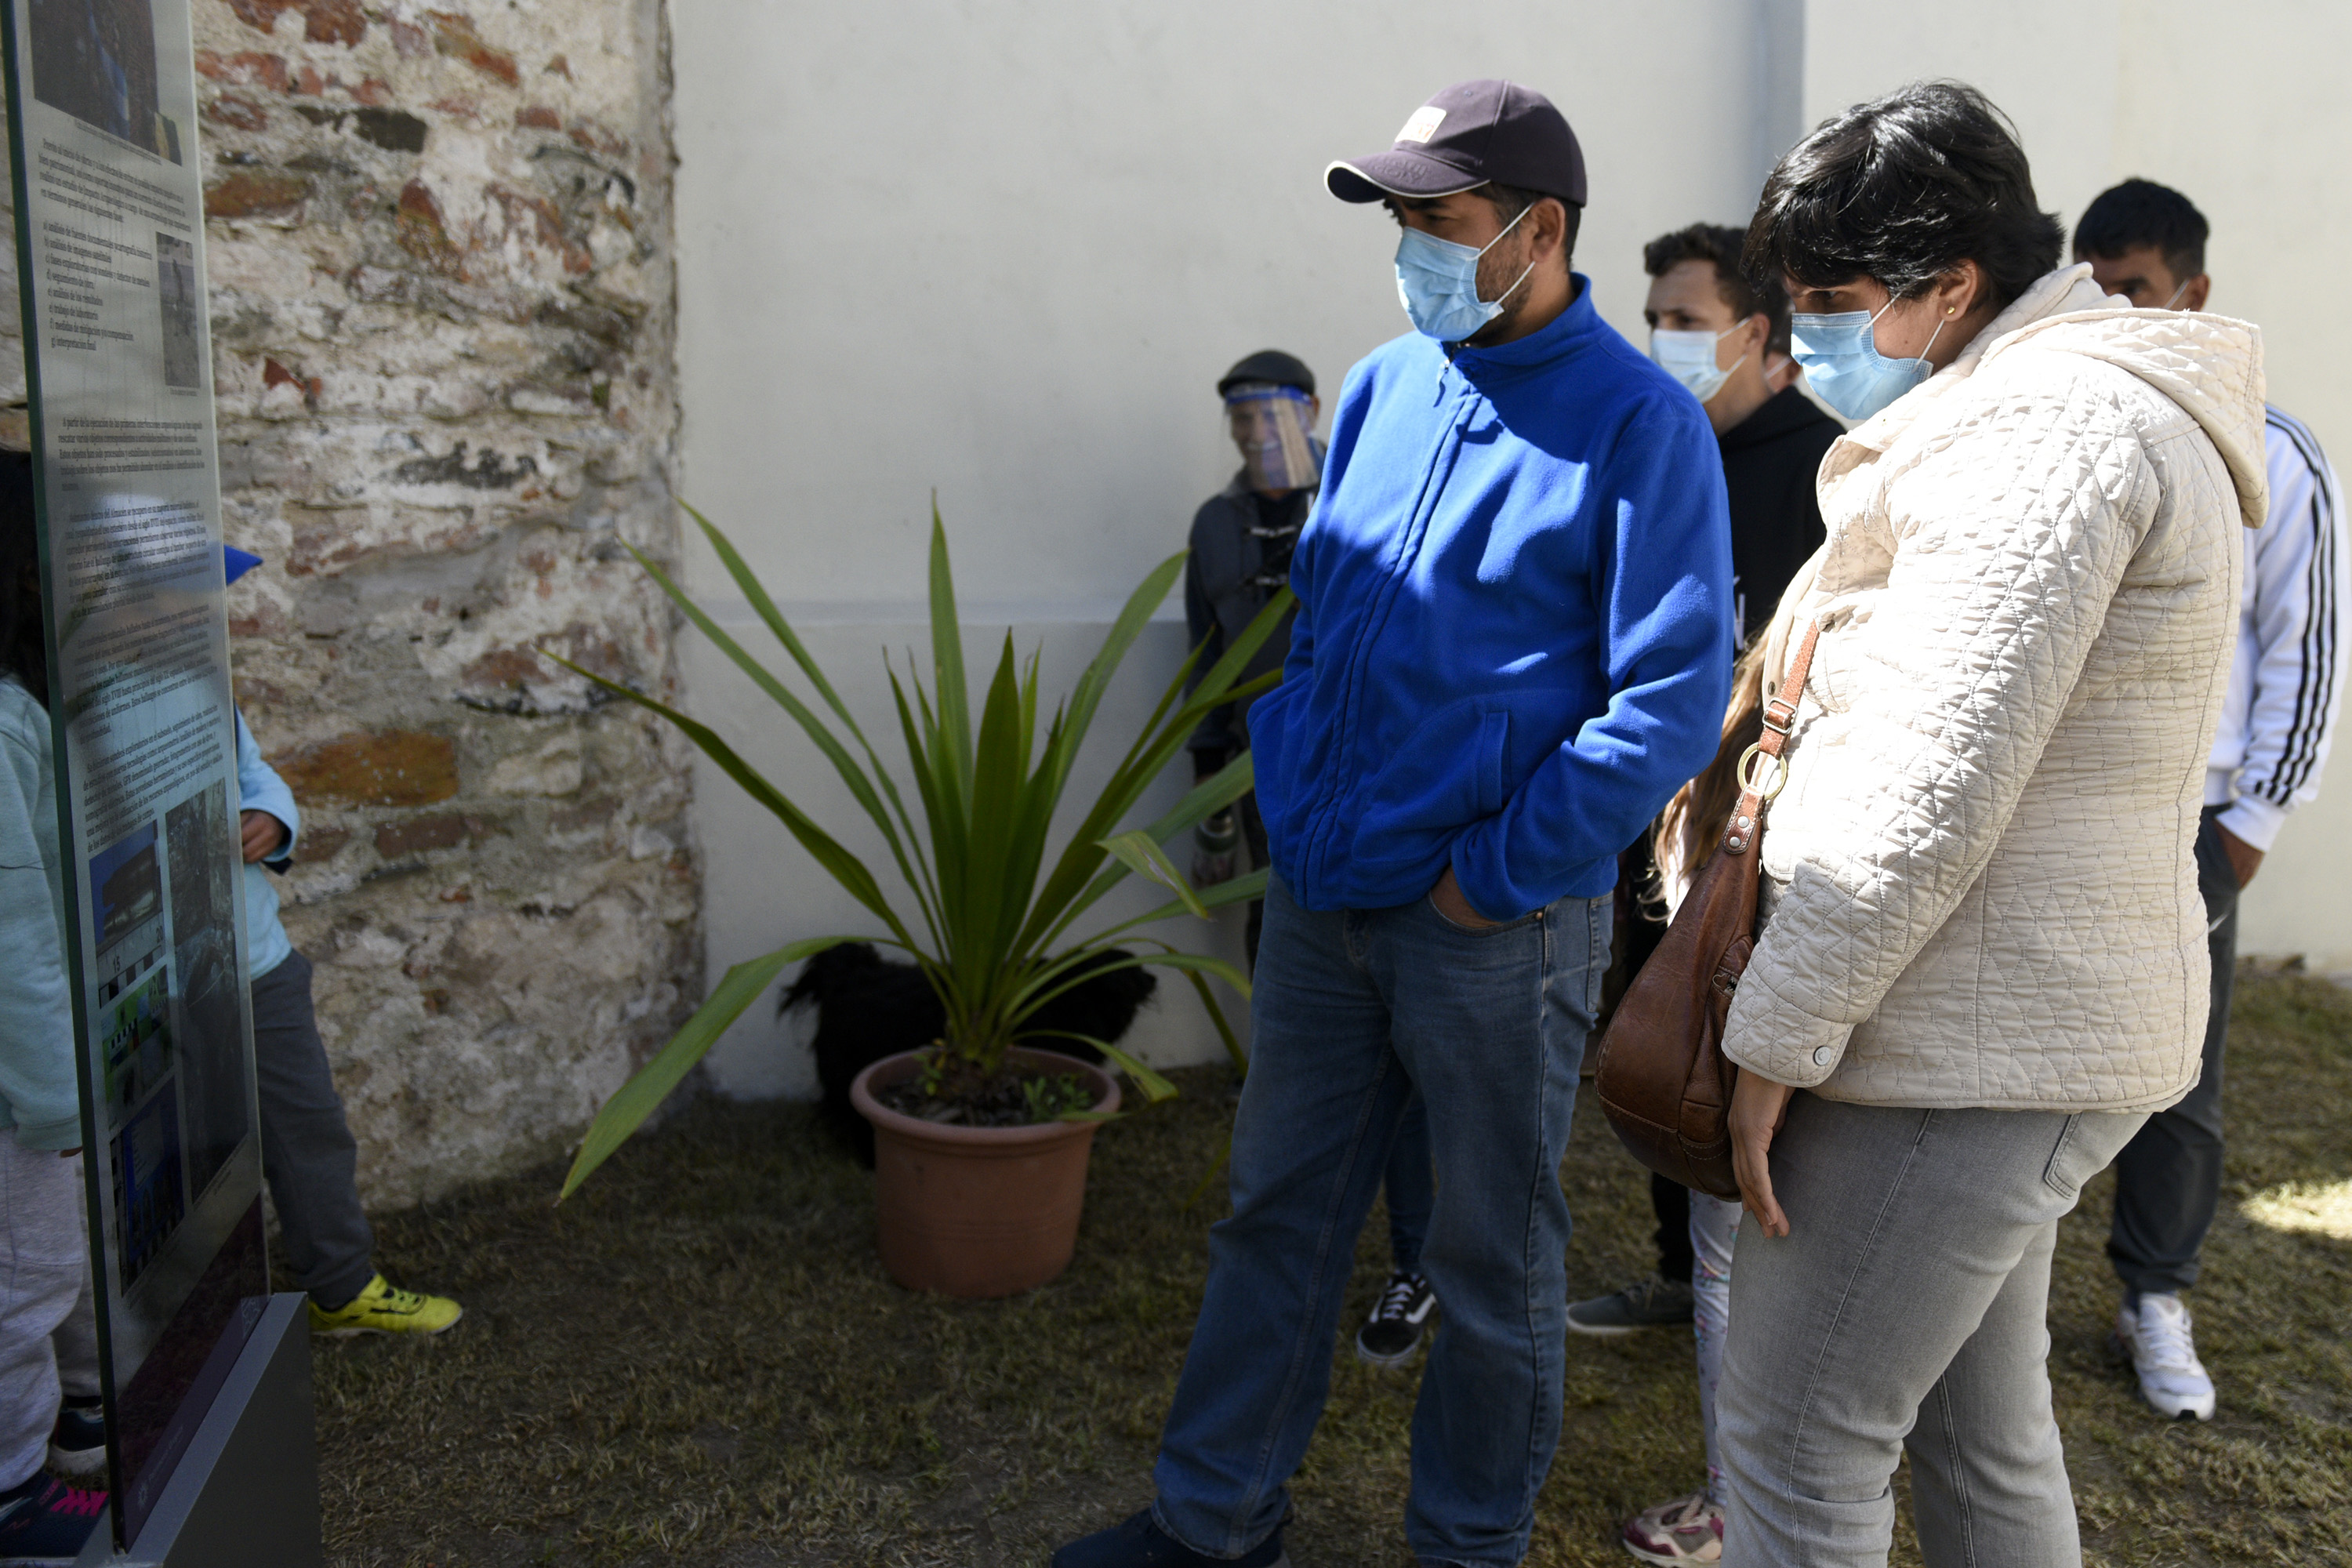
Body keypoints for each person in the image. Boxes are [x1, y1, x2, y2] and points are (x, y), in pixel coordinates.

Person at [1055, 78, 1732, 1568]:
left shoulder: (1638, 427)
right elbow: (1327, 621)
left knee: (1490, 1265)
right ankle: (1212, 1524)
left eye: (1439, 218)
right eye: (1400, 218)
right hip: (1322, 897)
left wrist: (1492, 878)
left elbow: (1672, 703)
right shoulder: (1380, 385)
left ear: (1538, 231)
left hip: (1492, 925)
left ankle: (1468, 1545)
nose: (1412, 247)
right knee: (1272, 1220)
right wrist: (1296, 793)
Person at [1717, 82, 2266, 1568]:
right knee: (1979, 1436)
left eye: (1829, 300)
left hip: (1961, 1037)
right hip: (2001, 1021)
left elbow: (1925, 781)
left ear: (1951, 287)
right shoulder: (2069, 403)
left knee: (1792, 1443)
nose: (1802, 334)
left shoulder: (2044, 432)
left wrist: (1773, 1038)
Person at [2072, 177, 2346, 1423]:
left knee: (2178, 1071)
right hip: (2062, 805)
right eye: (2095, 284)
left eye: (2134, 287)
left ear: (2195, 293)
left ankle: (2155, 1293)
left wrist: (2251, 826)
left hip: (2191, 822)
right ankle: (1993, 1297)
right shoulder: (2063, 430)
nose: (2112, 309)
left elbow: (2309, 651)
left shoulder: (2276, 459)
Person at [1570, 223, 1840, 1361]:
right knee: (1656, 1052)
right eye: (1655, 322)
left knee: (1742, 1072)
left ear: (1757, 334)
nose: (1661, 343)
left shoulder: (1825, 472)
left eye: (1683, 324)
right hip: (1656, 829)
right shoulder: (1657, 450)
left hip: (1763, 849)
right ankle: (1687, 1278)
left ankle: (1772, 1312)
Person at [1182, 354, 1439, 1370]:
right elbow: (1205, 654)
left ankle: (1419, 1262)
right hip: (1264, 783)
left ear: (1312, 412)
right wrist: (1207, 795)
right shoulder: (1214, 525)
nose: (1257, 435)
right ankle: (1295, 1259)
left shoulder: (1366, 489)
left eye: (1273, 413)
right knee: (1290, 974)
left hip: (1377, 786)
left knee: (1410, 1031)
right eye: (1240, 418)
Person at [222, 547, 463, 1338]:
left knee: (309, 1125)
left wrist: (273, 818)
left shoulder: (197, 689)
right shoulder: (59, 715)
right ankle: (188, 1328)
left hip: (256, 958)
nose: (203, 610)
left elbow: (255, 774)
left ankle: (343, 1283)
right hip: (157, 980)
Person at [0, 452, 110, 1561]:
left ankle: (60, 1433)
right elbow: (12, 939)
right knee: (27, 1276)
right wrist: (56, 1098)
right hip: (13, 1090)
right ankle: (13, 1500)